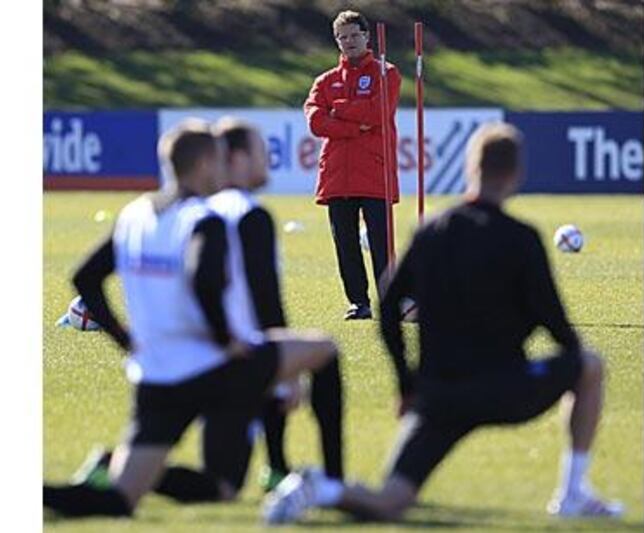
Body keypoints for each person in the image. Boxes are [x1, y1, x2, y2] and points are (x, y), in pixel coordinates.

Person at [263, 123, 624, 524]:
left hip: (439, 393)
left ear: (471, 169)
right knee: (589, 365)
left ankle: (319, 487)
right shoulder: (520, 238)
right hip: (506, 385)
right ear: (516, 175)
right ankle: (573, 493)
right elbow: (556, 324)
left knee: (391, 500)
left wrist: (406, 382)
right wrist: (564, 360)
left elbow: (388, 309)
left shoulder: (431, 231)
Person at [43, 119, 338, 517]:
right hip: (217, 366)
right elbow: (205, 280)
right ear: (203, 166)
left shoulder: (135, 214)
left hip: (156, 375)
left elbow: (85, 277)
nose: (222, 171)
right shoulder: (204, 219)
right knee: (323, 350)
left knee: (120, 499)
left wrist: (125, 339)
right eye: (218, 162)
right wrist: (225, 337)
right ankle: (334, 481)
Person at [150, 117, 345, 501]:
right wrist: (287, 377)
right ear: (237, 159)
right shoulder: (248, 213)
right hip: (233, 358)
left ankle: (276, 466)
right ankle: (332, 480)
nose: (267, 162)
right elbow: (266, 304)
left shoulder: (190, 208)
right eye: (262, 152)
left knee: (222, 486)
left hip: (184, 354)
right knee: (321, 352)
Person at [304, 9, 401, 320]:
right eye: (342, 37)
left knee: (381, 244)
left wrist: (340, 110)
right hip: (337, 175)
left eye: (353, 35)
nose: (348, 42)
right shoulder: (325, 81)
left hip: (374, 171)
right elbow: (316, 122)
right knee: (345, 244)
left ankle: (391, 301)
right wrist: (353, 125)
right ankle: (359, 302)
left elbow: (378, 113)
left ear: (366, 36)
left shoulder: (387, 73)